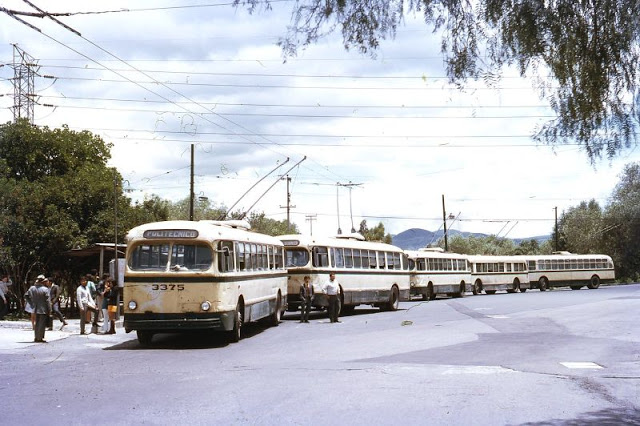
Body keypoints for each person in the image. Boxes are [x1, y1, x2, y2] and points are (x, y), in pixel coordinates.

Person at [24, 275, 51, 343]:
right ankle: (39, 338)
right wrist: (50, 310)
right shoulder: (45, 289)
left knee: (37, 323)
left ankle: (36, 337)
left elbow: (26, 295)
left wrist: (31, 303)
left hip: (35, 308)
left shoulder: (32, 288)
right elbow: (48, 301)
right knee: (41, 324)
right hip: (43, 309)